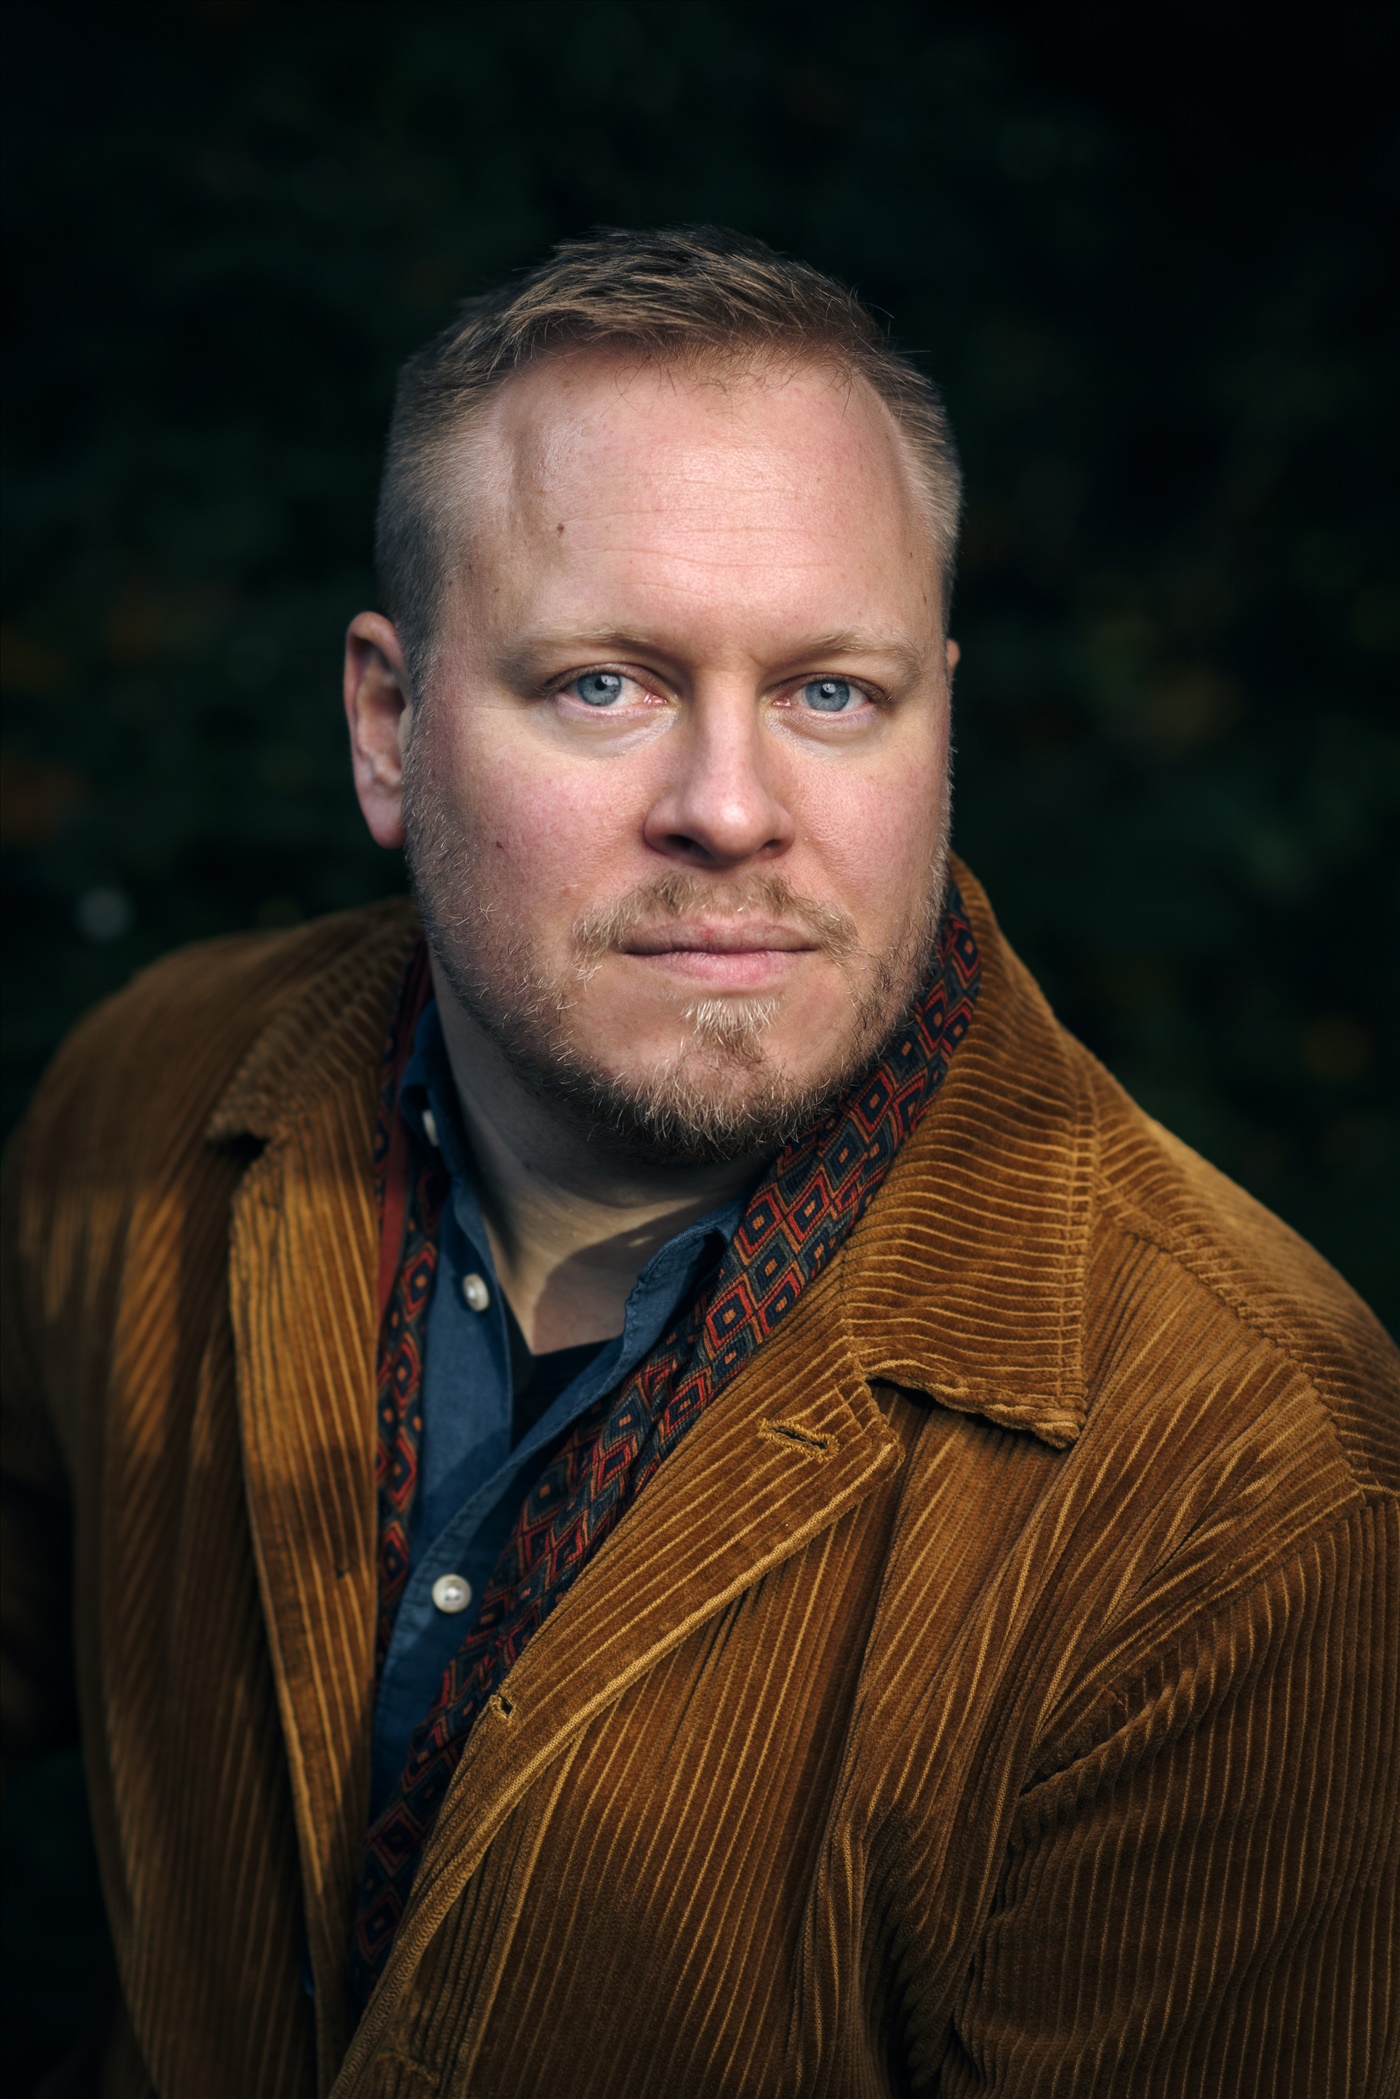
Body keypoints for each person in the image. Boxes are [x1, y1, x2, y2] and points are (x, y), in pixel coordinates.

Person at [2, 226, 1395, 2099]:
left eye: (832, 693)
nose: (731, 811)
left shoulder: (1256, 1484)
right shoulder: (150, 1097)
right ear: (389, 729)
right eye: (605, 685)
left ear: (941, 722)